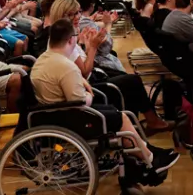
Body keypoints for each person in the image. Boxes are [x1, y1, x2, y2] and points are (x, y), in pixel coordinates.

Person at [31, 19, 179, 173]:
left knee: (118, 114)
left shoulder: (42, 60)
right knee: (120, 117)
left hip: (53, 114)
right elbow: (80, 102)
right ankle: (149, 158)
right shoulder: (66, 66)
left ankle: (148, 152)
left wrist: (81, 82)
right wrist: (89, 94)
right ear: (71, 39)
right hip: (69, 117)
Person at [46, 0, 169, 131]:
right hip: (88, 88)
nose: (77, 17)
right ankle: (149, 122)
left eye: (78, 12)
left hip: (89, 80)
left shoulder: (65, 34)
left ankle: (137, 125)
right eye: (72, 14)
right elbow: (84, 71)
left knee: (126, 78)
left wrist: (85, 45)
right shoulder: (64, 39)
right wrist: (92, 47)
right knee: (132, 81)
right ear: (62, 15)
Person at [74, 0, 124, 75]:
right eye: (76, 13)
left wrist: (106, 22)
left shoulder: (82, 22)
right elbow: (106, 46)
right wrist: (108, 24)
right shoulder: (82, 22)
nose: (78, 17)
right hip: (97, 63)